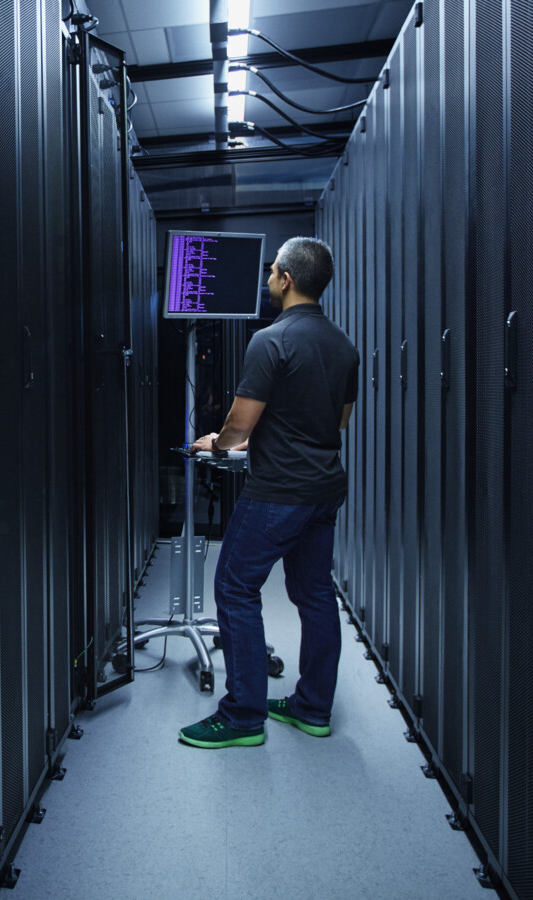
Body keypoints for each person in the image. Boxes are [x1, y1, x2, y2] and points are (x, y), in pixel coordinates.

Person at [177, 236, 360, 749]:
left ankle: (242, 717)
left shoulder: (270, 340)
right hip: (325, 489)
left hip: (279, 490)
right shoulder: (344, 345)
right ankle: (312, 708)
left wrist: (220, 440)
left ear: (286, 279)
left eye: (272, 270)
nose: (268, 278)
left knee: (235, 588)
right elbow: (337, 422)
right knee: (316, 595)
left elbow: (239, 424)